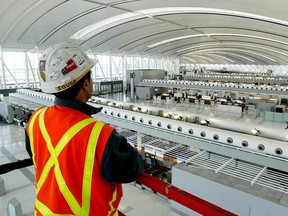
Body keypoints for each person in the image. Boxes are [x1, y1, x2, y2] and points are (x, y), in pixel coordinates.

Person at [25, 42, 143, 216]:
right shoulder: (102, 135)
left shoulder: (36, 119)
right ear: (86, 84)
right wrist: (138, 155)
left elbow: (36, 154)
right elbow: (129, 170)